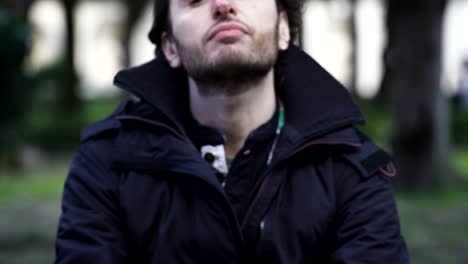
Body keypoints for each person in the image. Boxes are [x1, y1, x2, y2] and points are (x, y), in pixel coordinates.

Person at [55, 0, 409, 262]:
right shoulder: (107, 160)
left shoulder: (353, 166)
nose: (223, 5)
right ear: (170, 48)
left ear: (284, 28)